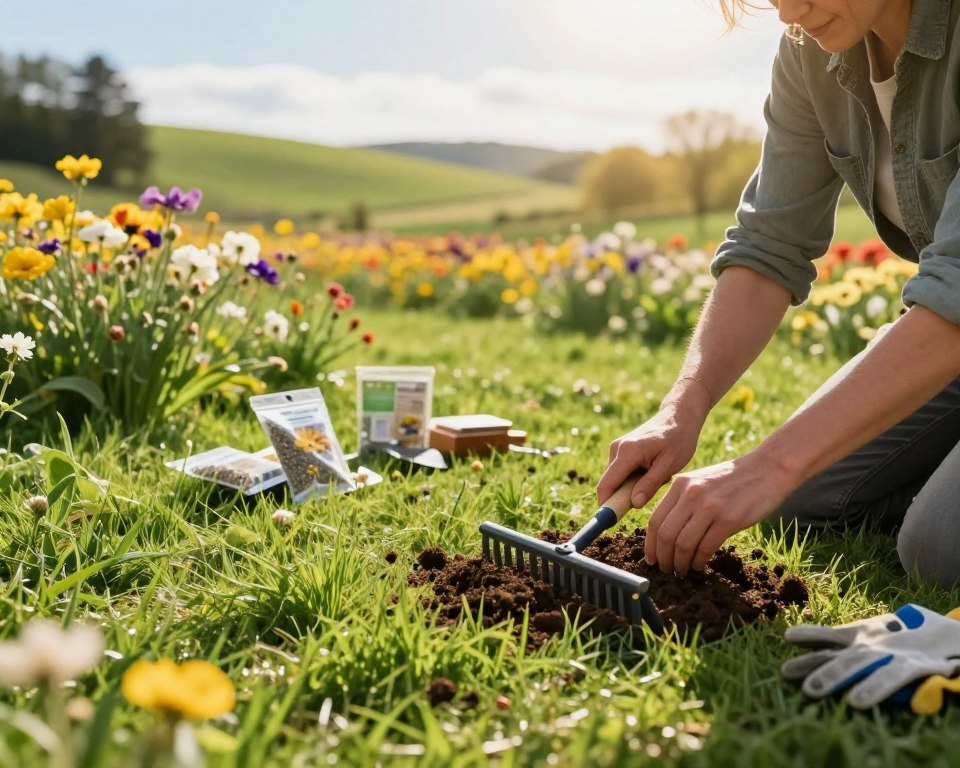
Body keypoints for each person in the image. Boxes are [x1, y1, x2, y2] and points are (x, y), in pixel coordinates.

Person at [596, 0, 960, 588]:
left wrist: (767, 465)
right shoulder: (809, 51)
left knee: (939, 547)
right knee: (800, 500)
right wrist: (680, 408)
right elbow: (770, 242)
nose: (790, 10)